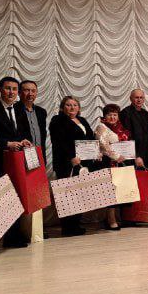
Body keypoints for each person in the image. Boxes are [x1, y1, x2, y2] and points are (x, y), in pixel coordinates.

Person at [0, 76, 33, 248]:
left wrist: (24, 140)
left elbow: (24, 132)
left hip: (16, 161)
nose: (11, 92)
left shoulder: (20, 109)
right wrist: (6, 144)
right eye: (7, 88)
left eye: (14, 89)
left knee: (14, 197)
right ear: (0, 89)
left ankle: (13, 237)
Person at [49, 96, 94, 236]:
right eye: (68, 105)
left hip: (83, 163)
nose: (72, 107)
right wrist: (71, 157)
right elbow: (59, 142)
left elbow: (90, 139)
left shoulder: (83, 120)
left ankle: (76, 224)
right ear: (63, 107)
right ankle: (67, 227)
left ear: (78, 108)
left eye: (75, 105)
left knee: (80, 193)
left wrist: (95, 152)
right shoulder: (57, 120)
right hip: (66, 163)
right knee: (67, 195)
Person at [94, 104, 131, 231]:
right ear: (104, 116)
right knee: (110, 191)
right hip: (108, 163)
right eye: (109, 114)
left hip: (119, 163)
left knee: (118, 191)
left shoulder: (120, 127)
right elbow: (103, 146)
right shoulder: (101, 127)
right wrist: (117, 156)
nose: (113, 117)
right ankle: (111, 219)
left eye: (115, 114)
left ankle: (115, 217)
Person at [120, 89, 148, 169]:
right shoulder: (125, 113)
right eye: (136, 97)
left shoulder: (146, 114)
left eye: (141, 97)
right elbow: (126, 137)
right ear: (131, 98)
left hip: (146, 154)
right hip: (132, 156)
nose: (139, 100)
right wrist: (136, 156)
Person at [19, 80, 48, 163]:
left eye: (33, 91)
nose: (30, 94)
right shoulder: (13, 110)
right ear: (19, 93)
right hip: (21, 155)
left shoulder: (41, 112)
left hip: (39, 154)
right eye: (27, 90)